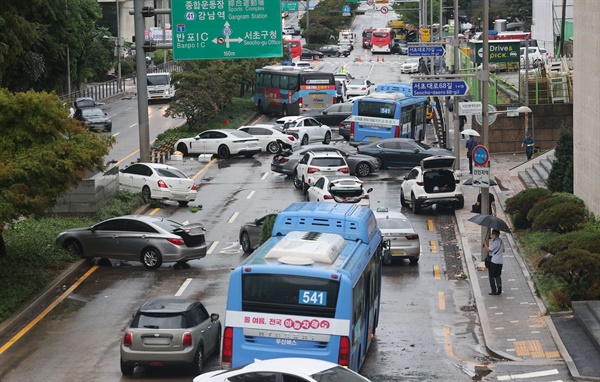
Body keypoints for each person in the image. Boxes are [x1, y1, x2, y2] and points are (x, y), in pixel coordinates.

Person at [484, 229, 504, 295]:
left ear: (497, 234)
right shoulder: (501, 241)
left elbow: (489, 250)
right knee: (498, 275)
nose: (492, 235)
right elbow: (503, 250)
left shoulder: (496, 242)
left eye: (493, 233)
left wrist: (485, 244)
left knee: (491, 276)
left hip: (493, 262)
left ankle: (494, 290)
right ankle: (499, 286)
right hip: (500, 262)